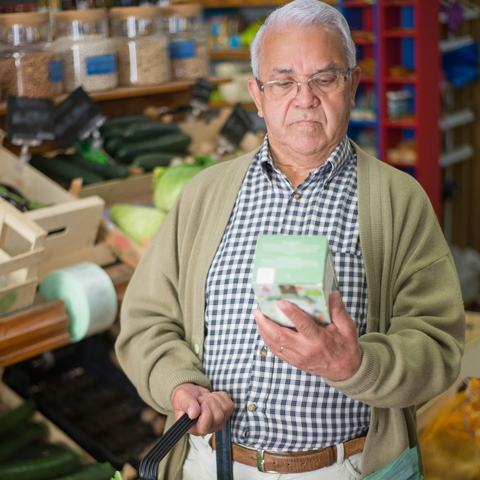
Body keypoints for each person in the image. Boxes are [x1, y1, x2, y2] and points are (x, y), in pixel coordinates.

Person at [115, 0, 465, 478]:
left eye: (325, 78)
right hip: (213, 465)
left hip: (345, 468)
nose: (305, 98)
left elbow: (439, 346)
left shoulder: (398, 199)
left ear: (353, 84)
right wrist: (178, 385)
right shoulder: (204, 195)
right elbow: (146, 322)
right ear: (257, 94)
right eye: (283, 81)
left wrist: (356, 364)